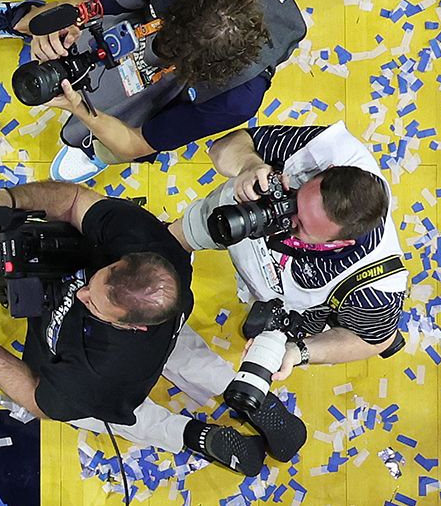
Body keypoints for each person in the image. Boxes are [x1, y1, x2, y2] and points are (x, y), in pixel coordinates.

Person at [0, 180, 301, 477]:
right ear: (128, 260)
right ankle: (249, 398)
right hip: (163, 331)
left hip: (115, 381)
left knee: (126, 415)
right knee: (178, 348)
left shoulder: (98, 378)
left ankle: (193, 436)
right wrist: (8, 198)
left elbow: (37, 401)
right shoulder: (147, 245)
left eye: (92, 303)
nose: (81, 293)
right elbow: (73, 199)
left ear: (125, 327)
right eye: (95, 281)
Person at [0, 0, 306, 183]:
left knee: (118, 143)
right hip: (139, 20)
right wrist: (61, 22)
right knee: (46, 20)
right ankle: (15, 17)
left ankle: (96, 151)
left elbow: (140, 140)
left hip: (173, 87)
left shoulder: (236, 99)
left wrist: (83, 112)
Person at [172, 123, 409, 370]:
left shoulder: (377, 287)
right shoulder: (326, 149)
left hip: (289, 296)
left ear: (341, 243)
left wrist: (298, 353)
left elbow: (375, 341)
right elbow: (222, 148)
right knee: (172, 240)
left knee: (268, 328)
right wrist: (249, 165)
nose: (282, 220)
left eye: (300, 227)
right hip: (232, 216)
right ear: (327, 170)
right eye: (293, 199)